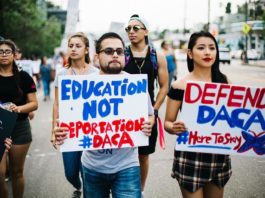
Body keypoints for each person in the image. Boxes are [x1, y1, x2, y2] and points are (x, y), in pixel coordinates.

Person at [54, 32, 155, 198]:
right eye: (108, 51)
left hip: (127, 167)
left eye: (119, 51)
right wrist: (60, 131)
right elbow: (68, 123)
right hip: (92, 168)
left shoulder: (135, 85)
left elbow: (150, 115)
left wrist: (149, 123)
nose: (115, 55)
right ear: (96, 57)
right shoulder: (81, 86)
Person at [164, 31, 232, 198]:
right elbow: (167, 122)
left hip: (218, 155)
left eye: (212, 48)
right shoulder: (180, 86)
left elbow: (233, 119)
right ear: (190, 53)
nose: (208, 52)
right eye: (201, 48)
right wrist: (175, 127)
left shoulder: (225, 82)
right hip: (190, 157)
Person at [123, 14, 168, 194]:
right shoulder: (122, 54)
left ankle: (139, 191)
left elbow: (164, 87)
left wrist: (154, 111)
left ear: (146, 31)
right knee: (123, 153)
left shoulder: (157, 56)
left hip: (147, 115)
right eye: (128, 29)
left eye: (136, 28)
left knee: (143, 155)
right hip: (123, 113)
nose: (131, 32)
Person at [51, 32, 98, 198]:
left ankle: (87, 191)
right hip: (68, 131)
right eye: (71, 46)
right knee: (70, 172)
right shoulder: (62, 74)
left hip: (90, 130)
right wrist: (53, 130)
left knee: (88, 172)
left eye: (78, 46)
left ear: (86, 50)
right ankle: (77, 185)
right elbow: (57, 104)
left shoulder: (96, 73)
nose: (73, 49)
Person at [0, 39, 38, 198]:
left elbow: (34, 104)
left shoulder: (24, 77)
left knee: (16, 172)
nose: (3, 55)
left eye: (7, 51)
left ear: (14, 54)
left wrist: (18, 109)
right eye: (0, 52)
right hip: (0, 129)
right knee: (0, 175)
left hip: (20, 127)